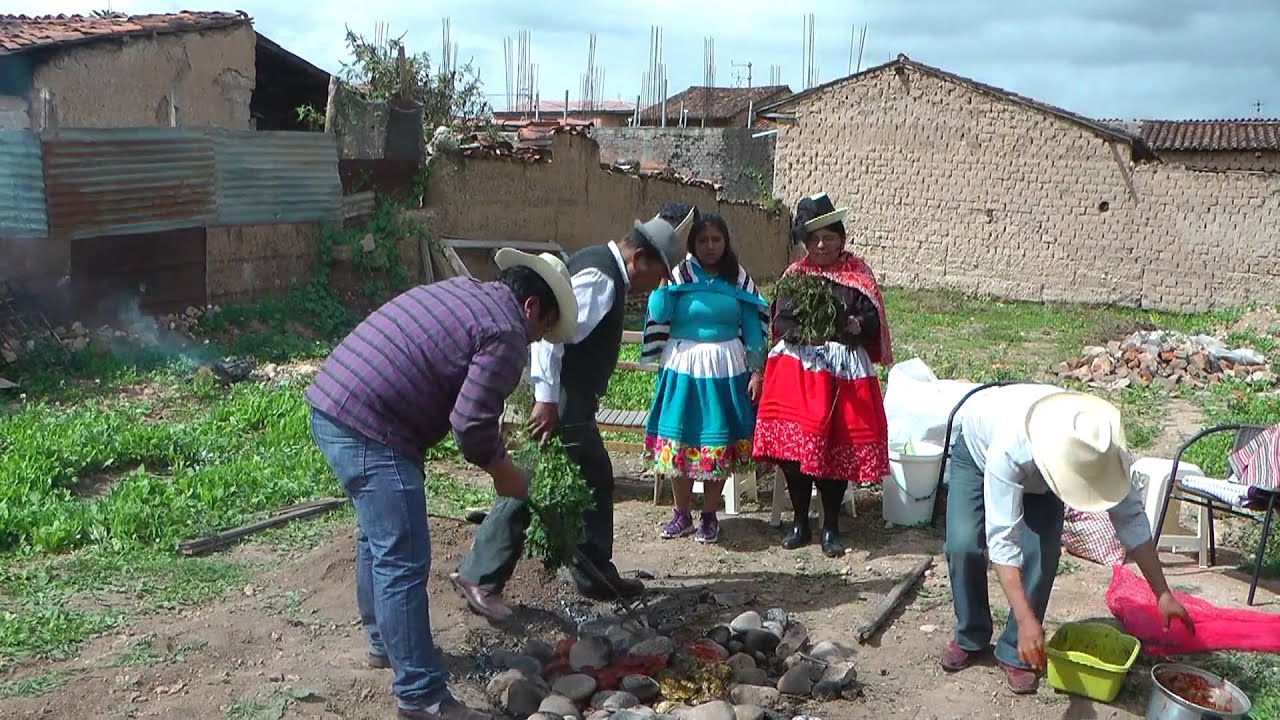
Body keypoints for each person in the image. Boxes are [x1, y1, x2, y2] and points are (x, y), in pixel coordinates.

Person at [305, 250, 577, 720]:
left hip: (333, 402)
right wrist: (504, 472)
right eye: (542, 330)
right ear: (532, 306)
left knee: (379, 539)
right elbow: (471, 425)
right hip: (370, 427)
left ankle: (383, 645)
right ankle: (421, 698)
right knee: (403, 556)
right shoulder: (507, 330)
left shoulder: (466, 292)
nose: (535, 341)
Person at [452, 204, 694, 619]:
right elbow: (551, 335)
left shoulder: (603, 269)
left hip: (572, 398)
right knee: (536, 483)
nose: (655, 285)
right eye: (657, 275)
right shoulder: (601, 277)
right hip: (563, 399)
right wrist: (546, 400)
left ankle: (593, 573)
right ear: (640, 259)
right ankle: (480, 574)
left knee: (596, 476)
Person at [940, 385, 1195, 694]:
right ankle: (972, 634)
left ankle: (1016, 651)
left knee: (1043, 555)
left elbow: (1132, 522)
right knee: (963, 545)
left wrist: (1162, 593)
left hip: (1042, 477)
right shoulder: (1011, 447)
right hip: (978, 451)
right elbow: (1003, 541)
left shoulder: (1104, 450)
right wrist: (1025, 618)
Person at [752, 193, 893, 558]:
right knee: (793, 451)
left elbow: (873, 320)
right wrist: (800, 331)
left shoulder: (856, 274)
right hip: (798, 370)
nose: (821, 244)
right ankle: (800, 522)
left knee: (835, 449)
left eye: (829, 236)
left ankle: (831, 526)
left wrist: (854, 323)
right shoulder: (796, 275)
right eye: (814, 238)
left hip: (842, 373)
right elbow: (780, 319)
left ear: (841, 237)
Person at [640, 213, 768, 544]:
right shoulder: (678, 276)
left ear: (726, 243)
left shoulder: (738, 280)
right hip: (683, 368)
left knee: (716, 443)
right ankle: (681, 514)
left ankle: (709, 515)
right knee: (680, 441)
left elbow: (753, 329)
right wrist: (663, 284)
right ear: (692, 244)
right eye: (702, 241)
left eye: (716, 240)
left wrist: (756, 371)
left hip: (725, 370)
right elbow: (658, 313)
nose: (710, 247)